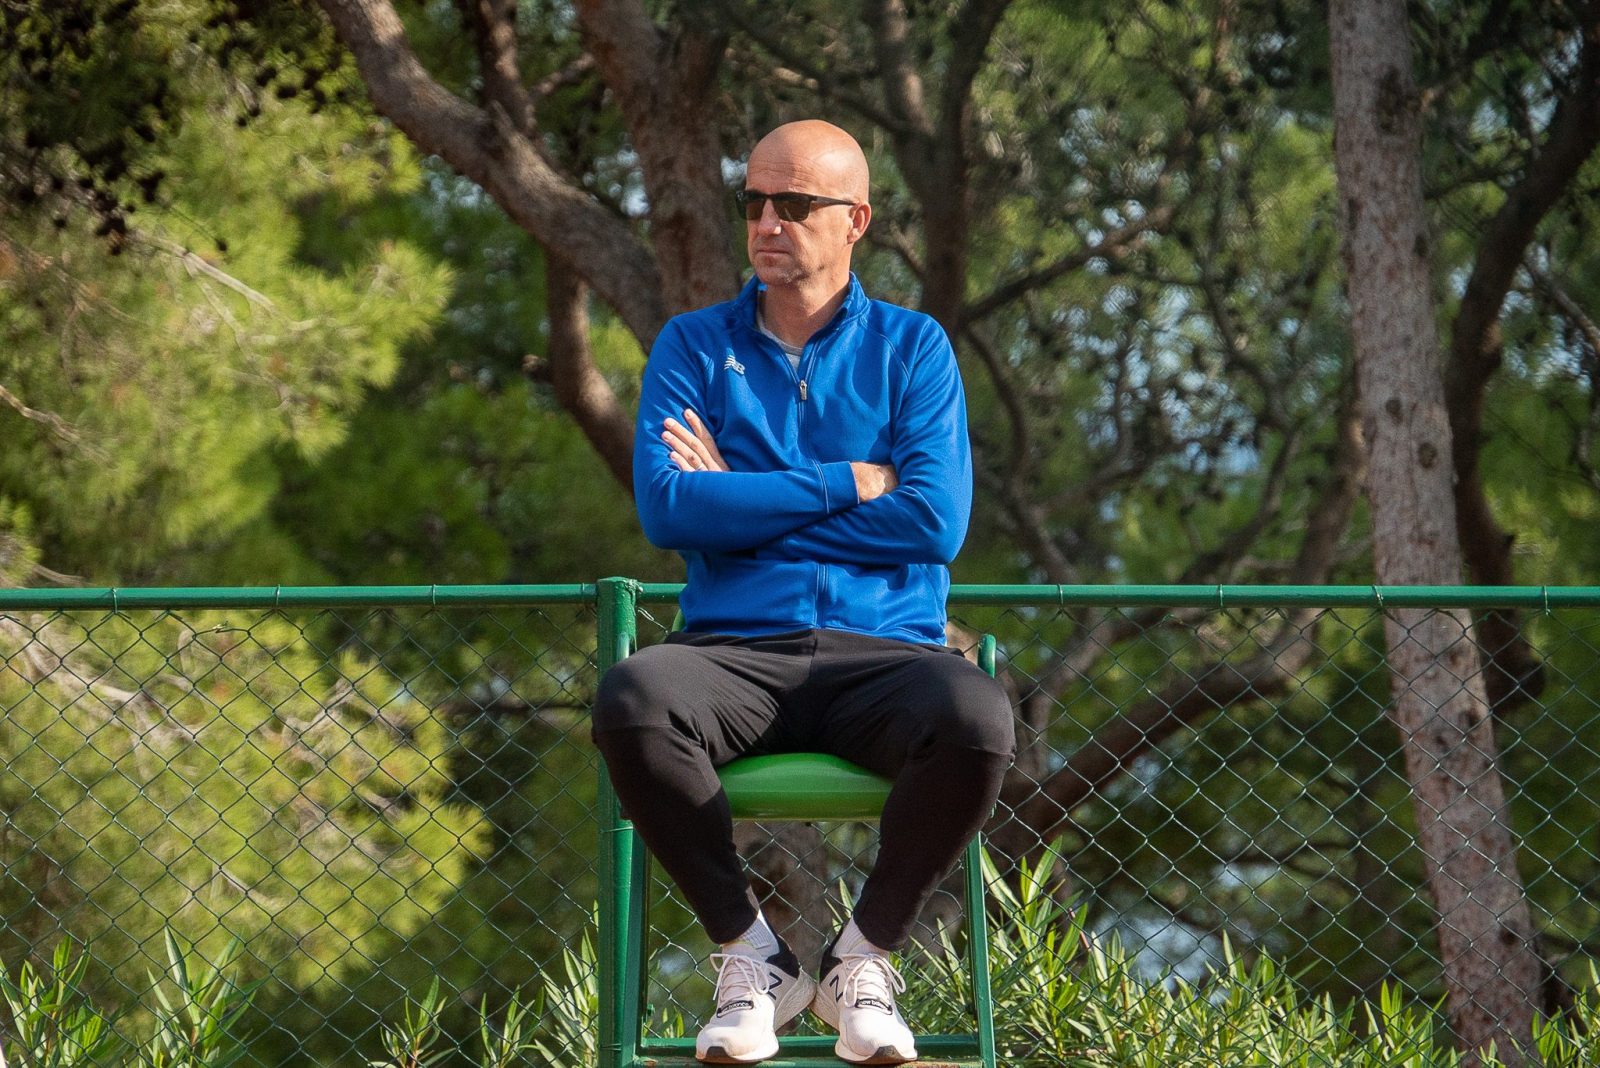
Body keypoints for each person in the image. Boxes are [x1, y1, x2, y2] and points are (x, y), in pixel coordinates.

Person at [592, 120, 1015, 1066]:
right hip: (731, 654)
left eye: (795, 204)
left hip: (889, 657)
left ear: (856, 218)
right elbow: (667, 511)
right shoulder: (693, 346)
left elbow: (932, 525)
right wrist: (842, 480)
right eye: (754, 203)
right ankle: (754, 960)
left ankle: (861, 961)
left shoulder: (915, 349)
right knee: (632, 698)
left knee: (980, 717)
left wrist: (737, 499)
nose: (768, 223)